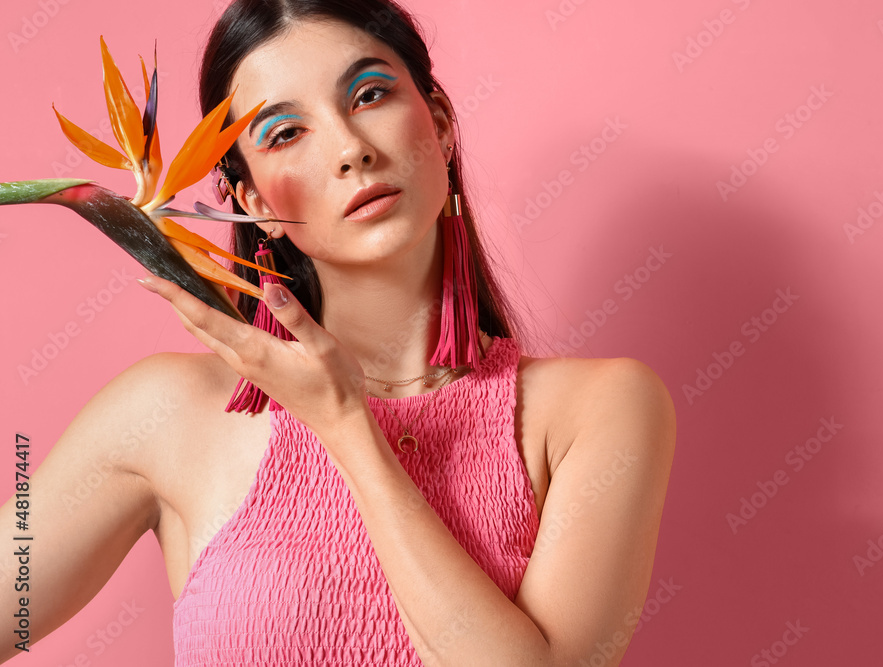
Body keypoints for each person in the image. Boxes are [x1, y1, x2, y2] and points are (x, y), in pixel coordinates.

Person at [0, 0, 676, 664]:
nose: (351, 149)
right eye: (285, 133)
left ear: (439, 123)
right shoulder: (166, 414)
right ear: (254, 203)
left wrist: (347, 424)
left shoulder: (598, 410)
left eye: (369, 94)